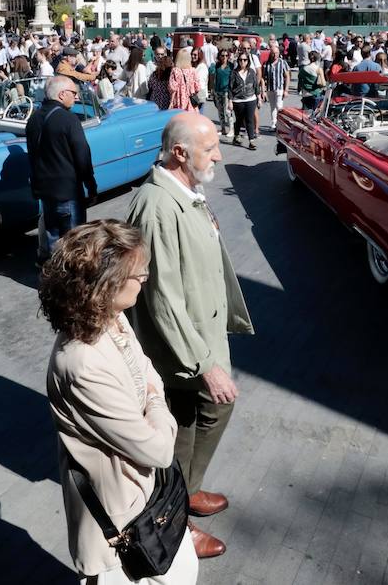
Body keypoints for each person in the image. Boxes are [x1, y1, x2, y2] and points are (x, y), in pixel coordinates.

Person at [41, 220, 198, 584]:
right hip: (118, 522)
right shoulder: (82, 364)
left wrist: (151, 398)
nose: (145, 279)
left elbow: (146, 370)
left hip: (143, 496)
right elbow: (158, 450)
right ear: (105, 284)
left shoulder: (111, 318)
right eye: (138, 273)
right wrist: (157, 404)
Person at [127, 113, 253, 561]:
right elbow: (163, 297)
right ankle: (173, 523)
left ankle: (189, 490)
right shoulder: (157, 205)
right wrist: (203, 363)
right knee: (180, 435)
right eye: (210, 148)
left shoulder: (185, 190)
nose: (219, 154)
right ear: (180, 153)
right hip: (181, 351)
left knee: (211, 412)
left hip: (201, 336)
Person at [28, 75, 98, 260]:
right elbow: (83, 156)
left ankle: (54, 280)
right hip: (68, 193)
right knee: (74, 245)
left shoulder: (34, 119)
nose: (76, 97)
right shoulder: (69, 119)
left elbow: (33, 156)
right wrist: (91, 186)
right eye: (73, 93)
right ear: (61, 94)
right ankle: (72, 284)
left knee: (53, 242)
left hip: (45, 193)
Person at [228, 52, 260, 150]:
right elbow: (230, 88)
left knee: (249, 120)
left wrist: (259, 97)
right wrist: (230, 101)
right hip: (238, 100)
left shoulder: (251, 72)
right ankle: (236, 136)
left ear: (248, 61)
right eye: (241, 60)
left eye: (245, 60)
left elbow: (255, 85)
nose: (242, 62)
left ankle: (251, 141)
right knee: (239, 120)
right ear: (238, 61)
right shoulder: (234, 73)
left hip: (251, 99)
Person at [262, 41, 289, 132]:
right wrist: (263, 90)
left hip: (279, 87)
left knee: (279, 106)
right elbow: (263, 77)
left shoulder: (282, 63)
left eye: (277, 53)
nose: (275, 55)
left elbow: (287, 76)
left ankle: (281, 124)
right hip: (270, 88)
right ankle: (273, 124)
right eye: (273, 53)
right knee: (272, 107)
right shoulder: (266, 64)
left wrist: (286, 89)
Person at [208, 50, 234, 136]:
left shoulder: (231, 66)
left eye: (226, 55)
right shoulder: (216, 66)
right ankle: (223, 129)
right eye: (222, 55)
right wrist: (211, 89)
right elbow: (211, 75)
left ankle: (231, 129)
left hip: (226, 91)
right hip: (217, 91)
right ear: (219, 56)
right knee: (220, 111)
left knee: (227, 111)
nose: (224, 57)